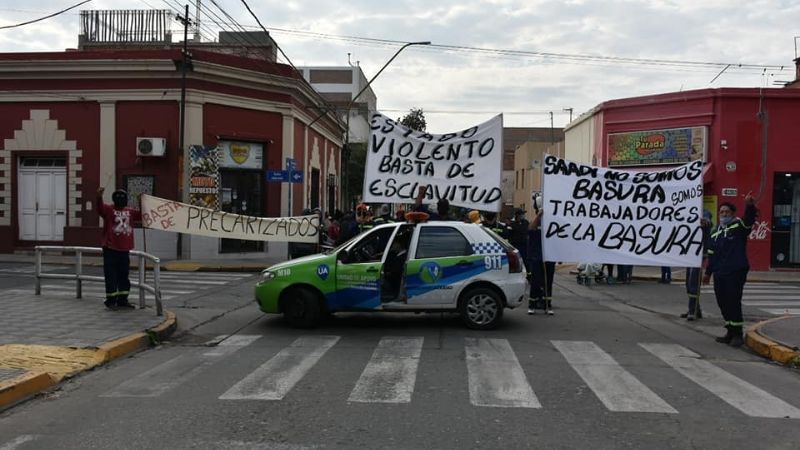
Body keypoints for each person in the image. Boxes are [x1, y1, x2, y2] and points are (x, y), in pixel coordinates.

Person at [703, 192, 758, 347]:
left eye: (727, 212)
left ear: (733, 214)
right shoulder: (715, 232)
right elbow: (712, 255)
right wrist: (708, 273)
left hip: (735, 271)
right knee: (722, 302)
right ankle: (729, 330)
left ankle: (737, 334)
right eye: (721, 212)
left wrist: (749, 206)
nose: (724, 214)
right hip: (720, 272)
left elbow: (749, 221)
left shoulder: (738, 226)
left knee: (733, 301)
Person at [96, 187, 142, 311]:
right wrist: (99, 197)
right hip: (110, 248)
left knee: (123, 276)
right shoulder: (109, 209)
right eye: (119, 198)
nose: (121, 200)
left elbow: (142, 214)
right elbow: (100, 208)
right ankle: (111, 301)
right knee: (111, 276)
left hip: (124, 250)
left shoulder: (130, 212)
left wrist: (141, 201)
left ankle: (123, 300)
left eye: (123, 198)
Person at [681, 216, 711, 321]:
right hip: (690, 253)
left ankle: (692, 310)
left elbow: (708, 222)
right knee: (689, 283)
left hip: (699, 254)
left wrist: (704, 221)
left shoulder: (703, 213)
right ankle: (695, 309)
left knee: (693, 282)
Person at [527, 208, 555, 315]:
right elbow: (530, 229)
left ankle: (547, 305)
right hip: (537, 258)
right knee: (535, 282)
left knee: (548, 283)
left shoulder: (552, 226)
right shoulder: (535, 224)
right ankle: (532, 304)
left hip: (549, 258)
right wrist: (538, 216)